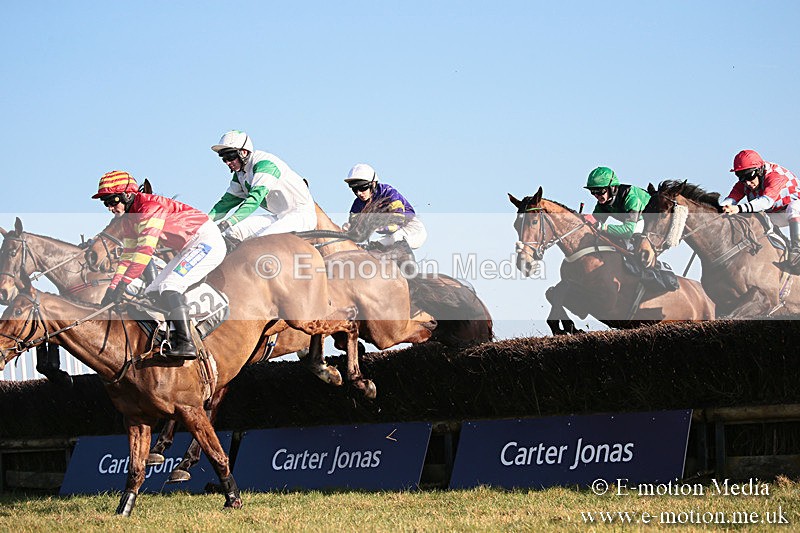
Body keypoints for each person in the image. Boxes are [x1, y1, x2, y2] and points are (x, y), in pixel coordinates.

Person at [93, 170, 226, 359]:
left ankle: (187, 343)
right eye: (105, 203)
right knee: (152, 291)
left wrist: (124, 284)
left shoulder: (150, 208)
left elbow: (144, 252)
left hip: (206, 241)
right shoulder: (129, 220)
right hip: (188, 246)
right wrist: (112, 288)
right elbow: (128, 256)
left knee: (169, 286)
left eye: (112, 201)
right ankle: (171, 336)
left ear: (127, 195)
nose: (110, 208)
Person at [209, 130, 316, 249]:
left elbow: (254, 200)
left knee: (261, 241)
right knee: (232, 232)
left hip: (300, 216)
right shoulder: (240, 174)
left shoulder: (264, 164)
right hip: (278, 217)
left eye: (230, 157)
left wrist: (228, 222)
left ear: (243, 152)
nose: (228, 162)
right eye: (224, 158)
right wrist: (205, 222)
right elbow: (225, 203)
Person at [720, 149, 800, 273]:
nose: (747, 182)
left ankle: (797, 252)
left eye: (749, 176)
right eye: (741, 177)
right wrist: (719, 210)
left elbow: (765, 202)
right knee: (755, 218)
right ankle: (783, 246)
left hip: (793, 209)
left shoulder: (775, 176)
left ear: (760, 170)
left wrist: (738, 208)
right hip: (778, 213)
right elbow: (730, 200)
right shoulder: (745, 182)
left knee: (793, 207)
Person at [343, 163, 427, 257]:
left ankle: (410, 267)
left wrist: (374, 226)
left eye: (363, 188)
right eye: (355, 189)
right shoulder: (357, 204)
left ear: (373, 184)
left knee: (397, 238)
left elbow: (396, 223)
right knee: (370, 248)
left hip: (412, 229)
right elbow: (354, 229)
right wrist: (348, 229)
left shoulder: (389, 193)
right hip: (391, 235)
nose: (359, 193)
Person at [584, 166, 650, 246]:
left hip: (649, 221)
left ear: (612, 188)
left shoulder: (631, 199)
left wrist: (602, 226)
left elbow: (628, 231)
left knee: (631, 244)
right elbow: (593, 223)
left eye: (599, 191)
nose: (596, 195)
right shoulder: (603, 203)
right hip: (634, 224)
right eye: (592, 191)